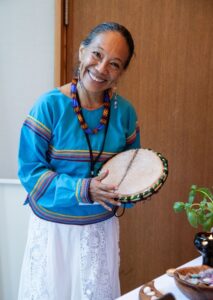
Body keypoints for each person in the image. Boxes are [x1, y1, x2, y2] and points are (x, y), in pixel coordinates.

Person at [18, 22, 141, 300]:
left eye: (114, 64)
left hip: (99, 232)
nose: (101, 68)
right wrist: (84, 189)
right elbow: (30, 173)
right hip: (53, 234)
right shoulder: (48, 106)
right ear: (82, 51)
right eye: (97, 54)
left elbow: (131, 171)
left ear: (121, 72)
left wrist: (136, 191)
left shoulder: (126, 114)